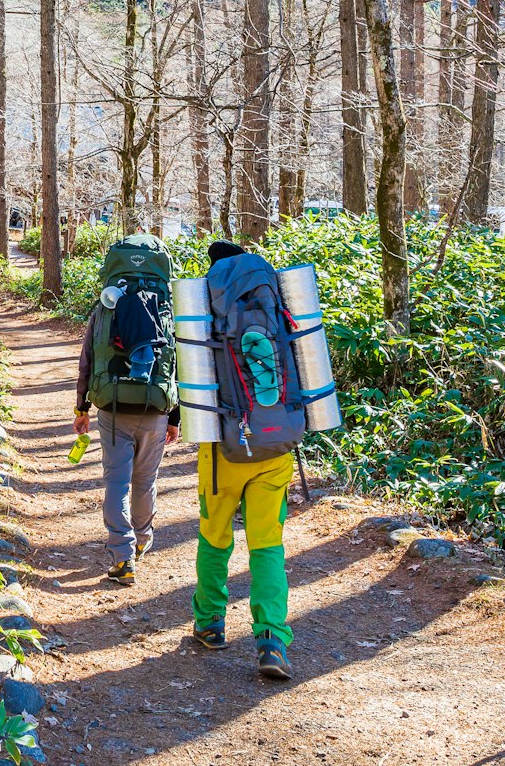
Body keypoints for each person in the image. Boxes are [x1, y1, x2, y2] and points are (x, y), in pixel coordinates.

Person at [191, 238, 296, 680]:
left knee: (215, 536)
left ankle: (211, 622)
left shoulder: (203, 307)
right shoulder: (276, 297)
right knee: (267, 545)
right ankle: (272, 639)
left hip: (224, 450)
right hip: (276, 446)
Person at [74, 233, 179, 585]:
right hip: (156, 406)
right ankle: (142, 541)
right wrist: (175, 416)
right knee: (145, 480)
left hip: (114, 405)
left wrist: (81, 407)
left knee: (117, 481)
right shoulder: (165, 308)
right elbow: (176, 362)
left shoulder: (105, 308)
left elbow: (87, 360)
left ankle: (122, 557)